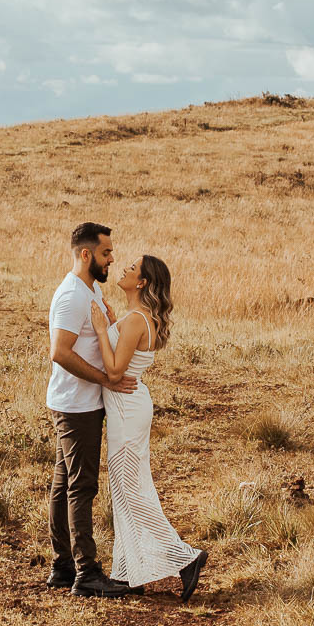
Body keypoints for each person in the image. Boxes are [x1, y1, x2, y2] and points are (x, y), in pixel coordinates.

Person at [90, 254, 207, 602]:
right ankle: (129, 573)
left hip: (127, 411)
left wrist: (102, 330)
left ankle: (185, 558)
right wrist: (113, 325)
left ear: (141, 282)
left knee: (129, 492)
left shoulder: (136, 321)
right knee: (126, 490)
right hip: (130, 407)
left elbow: (114, 372)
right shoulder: (137, 318)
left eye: (132, 268)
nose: (124, 268)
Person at [47, 222, 137, 598]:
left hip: (79, 403)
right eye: (105, 253)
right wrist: (105, 379)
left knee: (64, 484)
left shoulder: (91, 290)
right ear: (86, 255)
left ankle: (63, 566)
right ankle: (86, 572)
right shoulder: (72, 296)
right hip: (77, 406)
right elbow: (60, 352)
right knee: (82, 486)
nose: (111, 259)